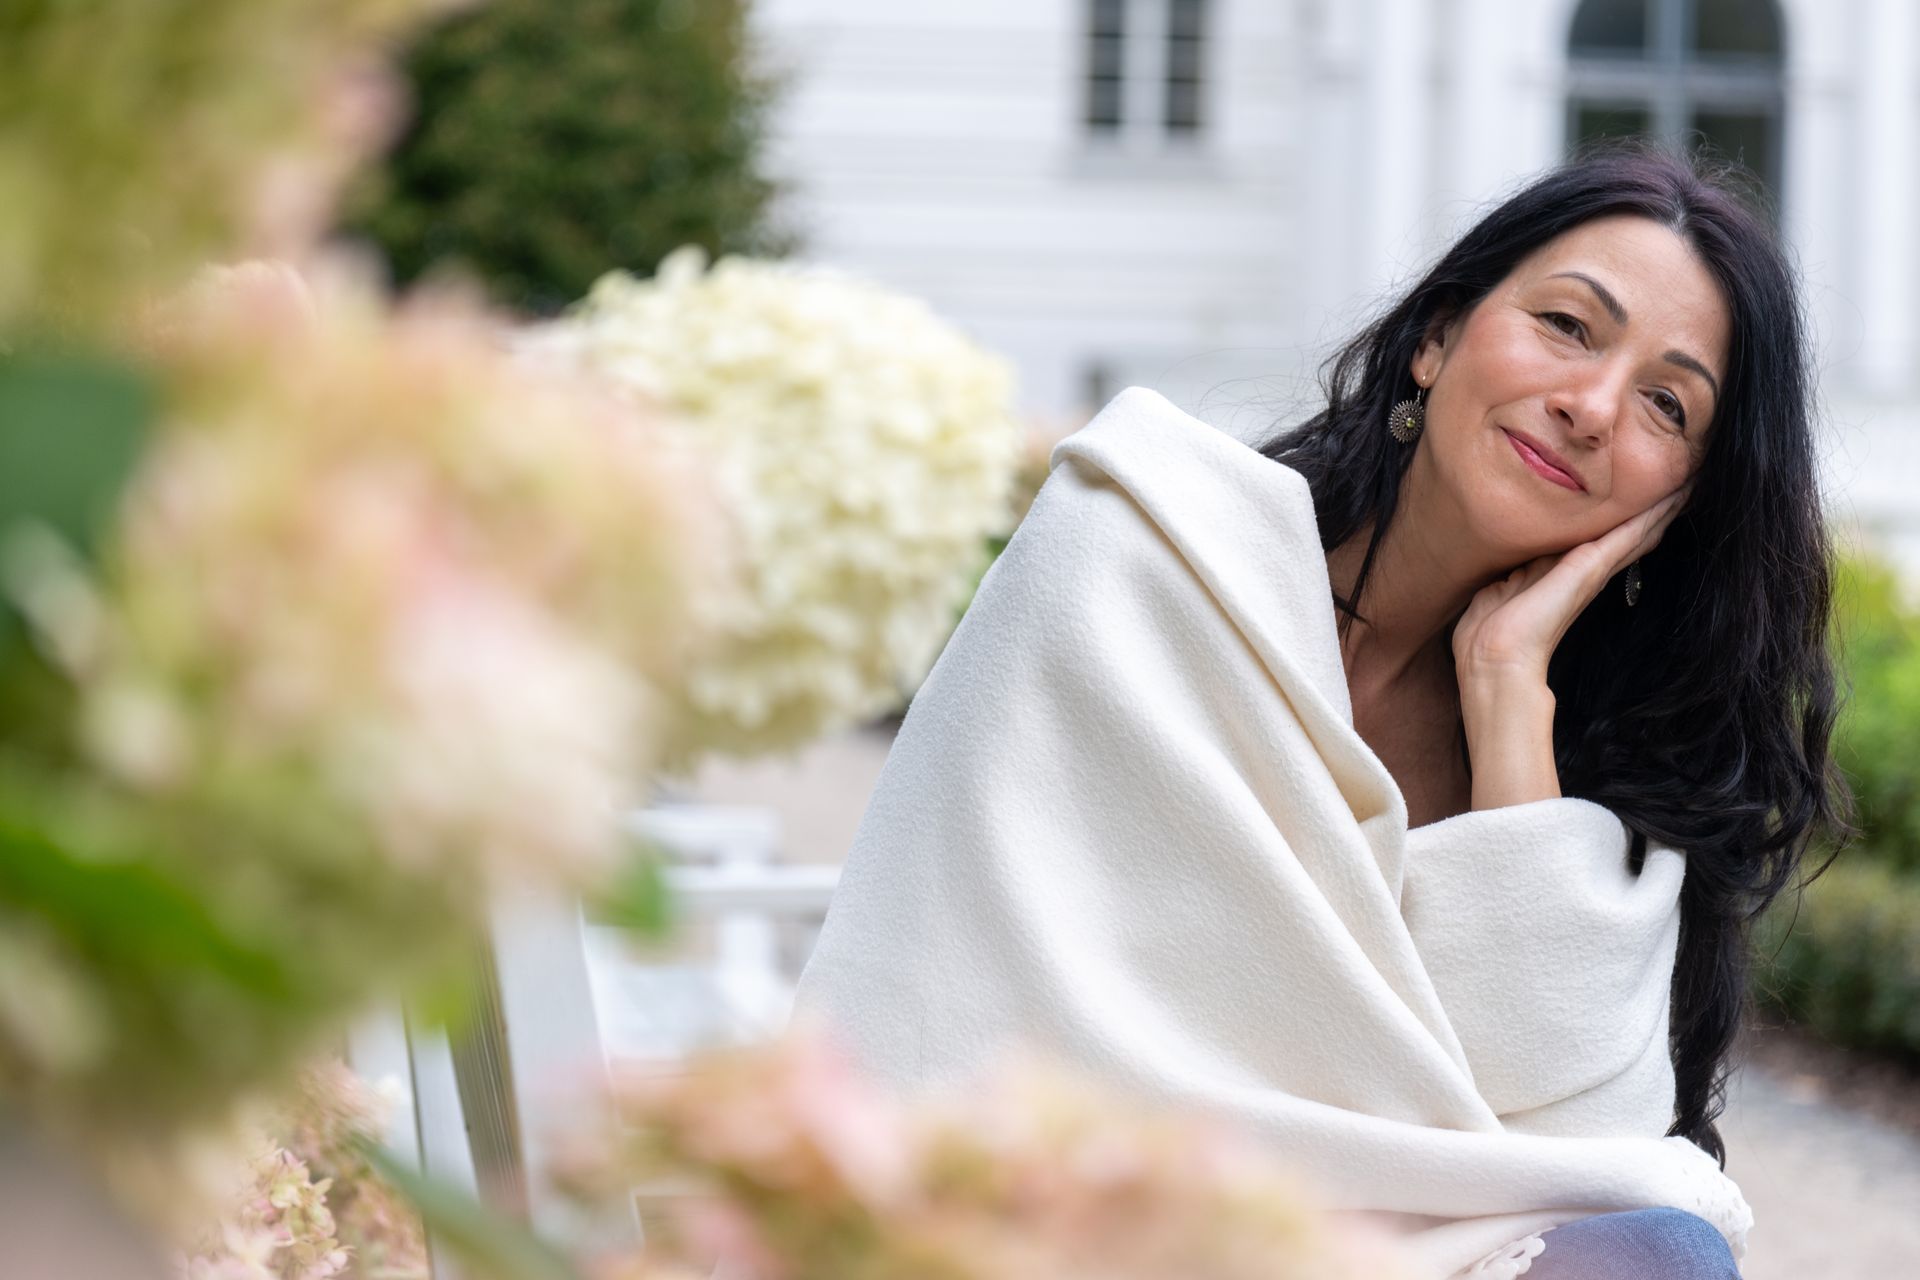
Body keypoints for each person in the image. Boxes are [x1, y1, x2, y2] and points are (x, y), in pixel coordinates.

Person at [794, 147, 1851, 1280]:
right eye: (1567, 326)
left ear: (1678, 501)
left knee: (1663, 1257)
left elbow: (1579, 1165)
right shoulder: (1145, 553)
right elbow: (944, 980)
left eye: (1665, 404)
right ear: (1438, 337)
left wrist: (1507, 694)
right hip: (1034, 1224)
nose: (1591, 406)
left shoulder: (1603, 779)